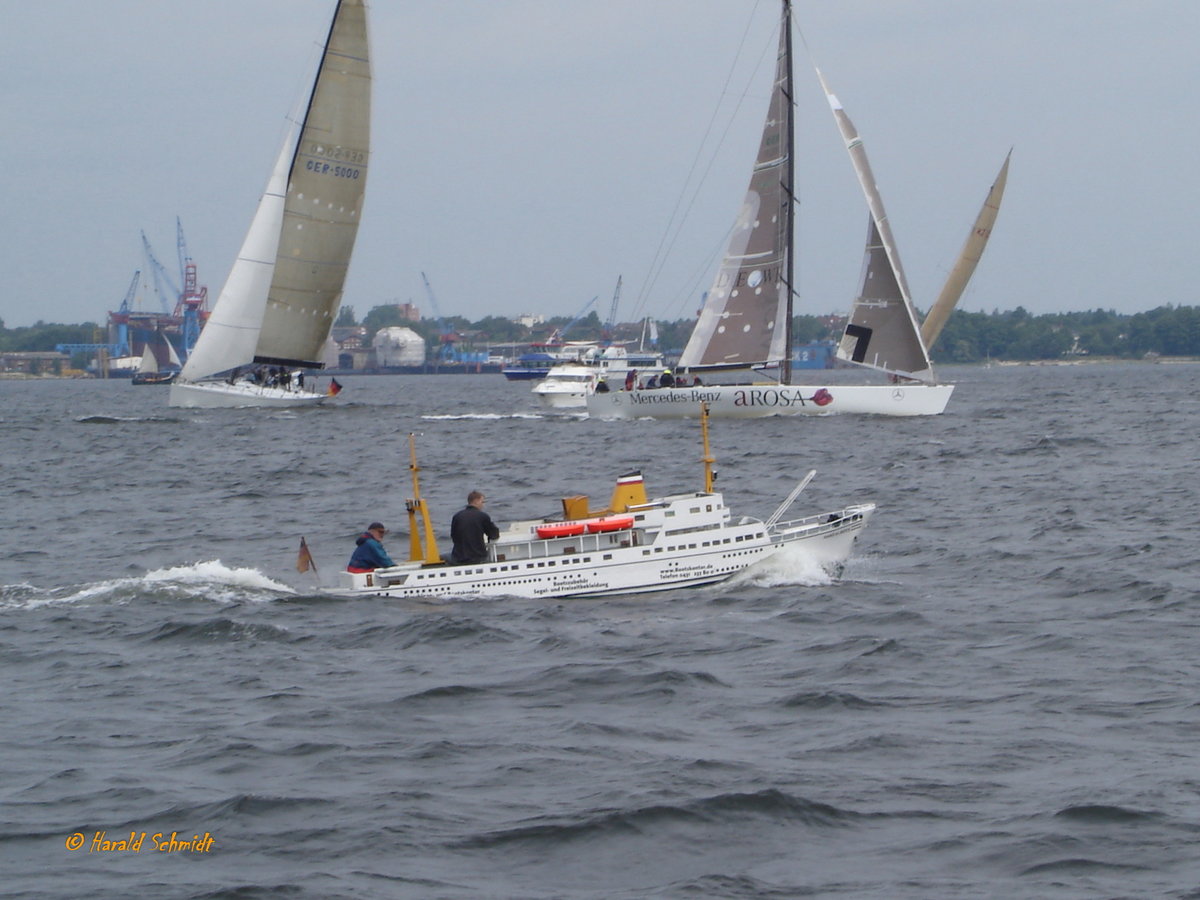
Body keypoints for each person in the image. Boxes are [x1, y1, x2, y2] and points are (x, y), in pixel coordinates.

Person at [450, 491, 500, 564]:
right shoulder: (483, 516)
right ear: (476, 501)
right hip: (478, 556)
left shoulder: (457, 516)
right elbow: (494, 535)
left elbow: (453, 535)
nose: (483, 505)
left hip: (459, 557)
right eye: (482, 502)